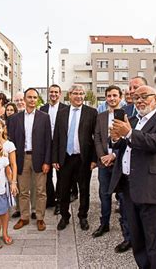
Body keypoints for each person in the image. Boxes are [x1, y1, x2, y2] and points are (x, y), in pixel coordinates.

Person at [109, 85, 156, 269]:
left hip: (153, 189)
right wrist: (116, 138)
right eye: (135, 97)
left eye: (144, 96)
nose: (139, 100)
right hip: (129, 188)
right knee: (138, 241)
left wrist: (129, 133)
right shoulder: (131, 120)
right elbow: (123, 146)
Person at [52, 84, 97, 231]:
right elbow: (57, 137)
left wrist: (94, 159)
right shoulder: (62, 113)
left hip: (83, 159)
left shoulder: (91, 112)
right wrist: (55, 158)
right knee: (64, 190)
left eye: (81, 93)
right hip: (65, 158)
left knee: (84, 190)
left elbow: (96, 138)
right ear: (69, 95)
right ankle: (65, 216)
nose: (79, 96)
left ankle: (83, 216)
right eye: (75, 93)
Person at [93, 85, 132, 253]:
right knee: (104, 194)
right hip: (104, 163)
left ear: (120, 97)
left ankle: (127, 234)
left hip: (120, 162)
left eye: (115, 95)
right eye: (109, 96)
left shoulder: (127, 115)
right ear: (106, 98)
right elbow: (98, 138)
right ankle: (104, 224)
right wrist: (102, 156)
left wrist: (113, 156)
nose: (112, 98)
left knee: (123, 197)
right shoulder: (101, 116)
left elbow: (127, 140)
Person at [8, 88, 52, 231]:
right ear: (24, 99)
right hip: (22, 158)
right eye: (29, 97)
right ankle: (24, 217)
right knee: (23, 191)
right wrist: (11, 161)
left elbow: (48, 142)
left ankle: (40, 218)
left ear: (37, 99)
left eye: (34, 97)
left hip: (39, 158)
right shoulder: (14, 119)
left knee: (41, 191)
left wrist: (47, 161)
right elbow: (11, 141)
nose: (32, 100)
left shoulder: (44, 117)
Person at [40, 84, 67, 214]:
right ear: (48, 93)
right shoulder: (42, 108)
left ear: (60, 94)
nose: (54, 94)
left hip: (60, 146)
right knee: (47, 175)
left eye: (56, 92)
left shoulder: (65, 109)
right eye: (51, 92)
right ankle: (50, 200)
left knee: (61, 176)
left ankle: (59, 202)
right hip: (46, 145)